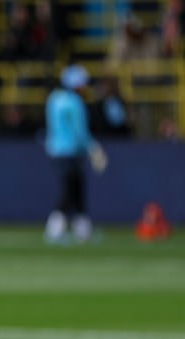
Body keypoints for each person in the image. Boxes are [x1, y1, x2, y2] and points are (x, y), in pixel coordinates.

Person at [43, 64, 107, 244]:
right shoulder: (75, 102)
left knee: (76, 188)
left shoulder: (54, 98)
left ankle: (83, 230)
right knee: (71, 190)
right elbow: (80, 132)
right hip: (71, 150)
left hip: (56, 150)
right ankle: (55, 229)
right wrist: (94, 148)